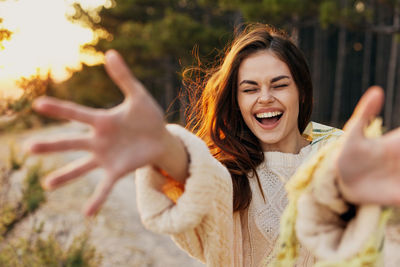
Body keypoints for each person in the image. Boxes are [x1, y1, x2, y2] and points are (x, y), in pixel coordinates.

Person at [29, 24, 400, 266]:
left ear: (302, 92)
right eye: (249, 89)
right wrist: (160, 144)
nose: (265, 98)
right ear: (235, 101)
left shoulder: (336, 158)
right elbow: (196, 172)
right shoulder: (229, 171)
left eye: (279, 84)